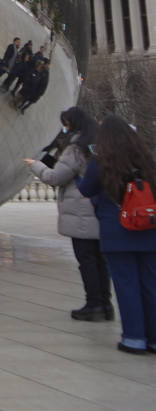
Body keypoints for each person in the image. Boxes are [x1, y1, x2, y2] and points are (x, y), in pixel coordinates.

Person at [77, 116, 156, 354]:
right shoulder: (148, 158)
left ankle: (134, 338)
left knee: (127, 286)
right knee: (151, 285)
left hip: (117, 232)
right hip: (149, 229)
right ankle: (153, 339)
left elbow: (86, 190)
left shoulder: (101, 161)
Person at [25, 108, 112, 322]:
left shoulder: (76, 148)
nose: (65, 128)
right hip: (99, 210)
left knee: (87, 261)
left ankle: (93, 304)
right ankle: (105, 304)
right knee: (100, 261)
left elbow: (56, 177)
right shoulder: (101, 145)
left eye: (66, 124)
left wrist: (35, 165)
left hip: (80, 212)